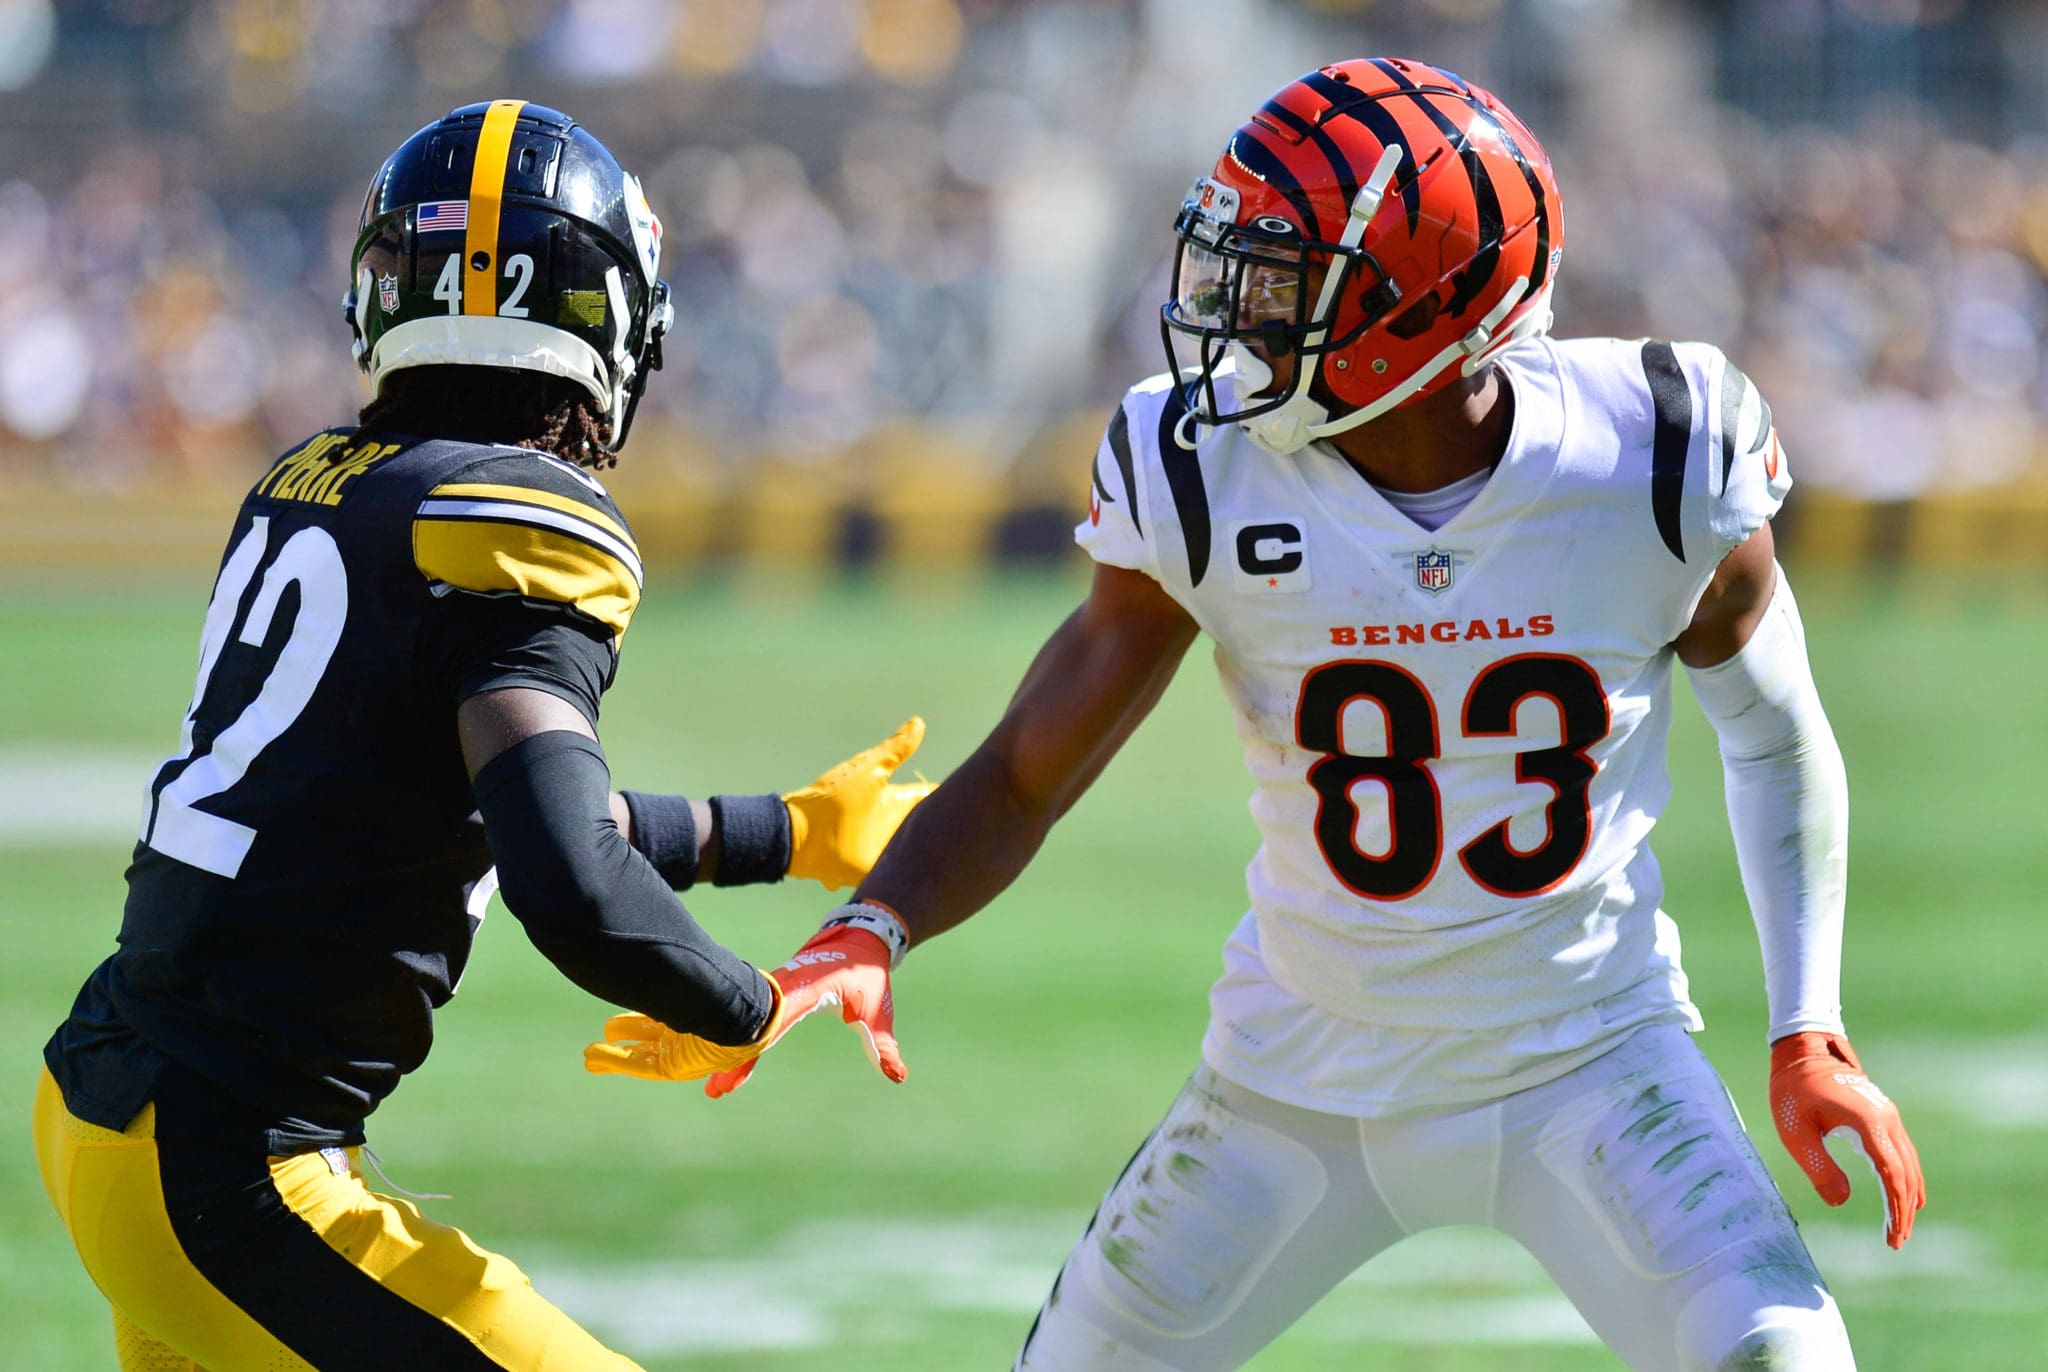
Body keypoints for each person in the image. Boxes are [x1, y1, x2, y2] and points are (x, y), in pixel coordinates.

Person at [598, 60, 1928, 1369]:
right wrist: (870, 925)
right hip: (1296, 1081)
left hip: (1594, 1062)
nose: (1236, 317)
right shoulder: (1201, 472)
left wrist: (1808, 1027)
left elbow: (1774, 731)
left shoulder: (1655, 453)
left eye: (1284, 284)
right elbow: (1021, 773)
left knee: (1782, 1361)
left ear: (1428, 306)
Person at [32, 99, 929, 1371]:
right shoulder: (517, 517)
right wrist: (751, 1002)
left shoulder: (313, 480)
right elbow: (570, 884)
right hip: (232, 1171)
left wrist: (775, 833)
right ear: (609, 318)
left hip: (106, 1107)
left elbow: (477, 805)